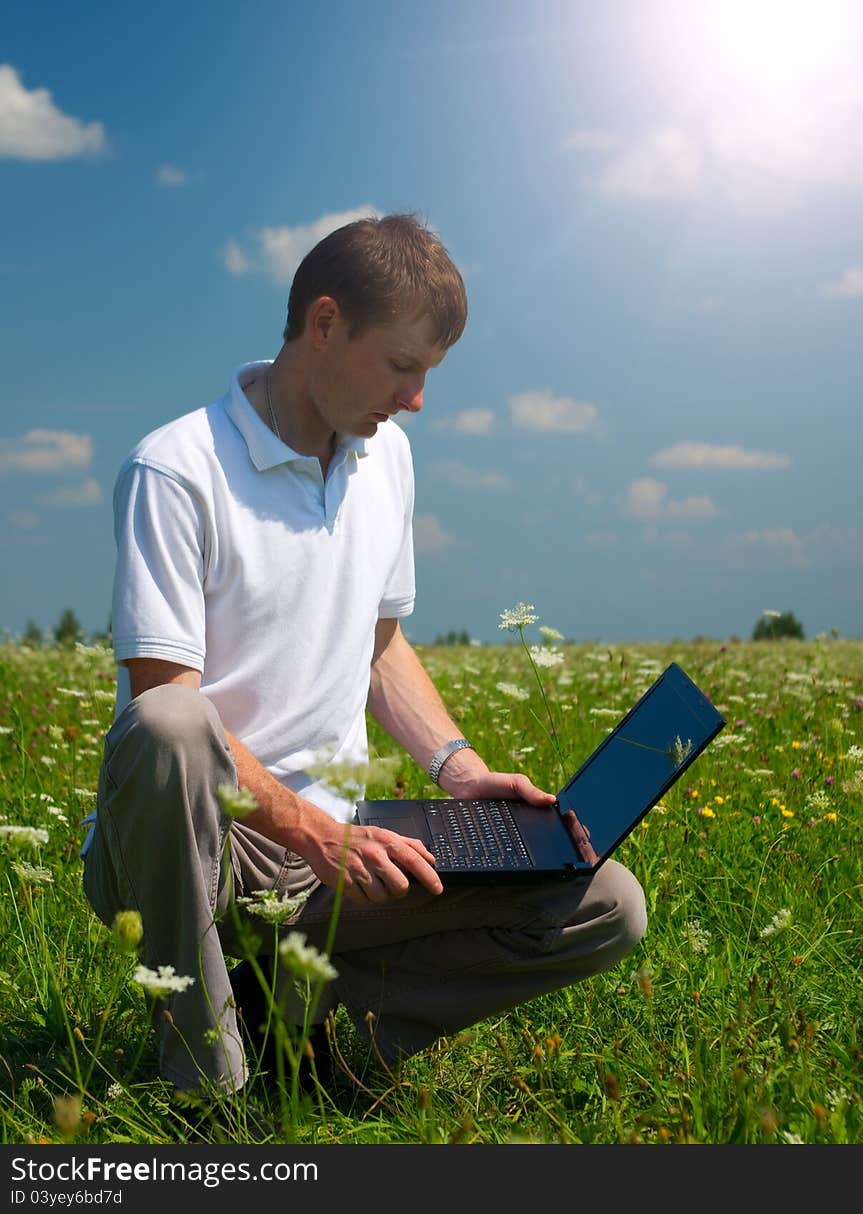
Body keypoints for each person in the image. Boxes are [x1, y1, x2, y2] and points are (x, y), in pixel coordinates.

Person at [81, 213, 647, 1114]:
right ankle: (205, 1079)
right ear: (325, 324)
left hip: (334, 853)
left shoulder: (389, 460)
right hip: (195, 847)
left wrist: (459, 773)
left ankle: (311, 1020)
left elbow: (380, 644)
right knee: (170, 725)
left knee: (604, 902)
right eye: (402, 366)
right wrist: (313, 830)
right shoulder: (175, 470)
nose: (417, 398)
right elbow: (164, 706)